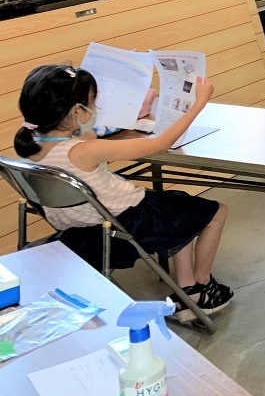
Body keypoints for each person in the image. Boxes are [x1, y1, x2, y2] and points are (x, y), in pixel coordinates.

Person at [14, 65, 232, 322]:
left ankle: (187, 290)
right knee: (216, 211)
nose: (95, 108)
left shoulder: (29, 144)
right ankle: (201, 285)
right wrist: (199, 103)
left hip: (87, 222)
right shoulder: (83, 152)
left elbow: (90, 135)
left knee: (179, 205)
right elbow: (159, 144)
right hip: (128, 221)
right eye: (91, 103)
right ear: (76, 111)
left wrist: (82, 124)